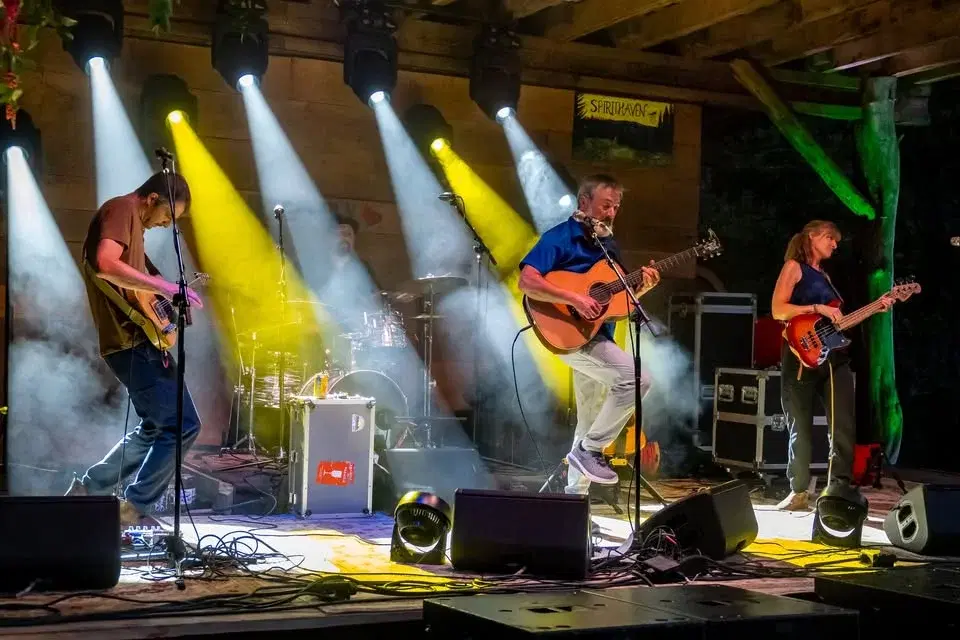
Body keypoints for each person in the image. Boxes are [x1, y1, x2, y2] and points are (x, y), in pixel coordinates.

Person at [65, 172, 205, 527]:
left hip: (134, 342)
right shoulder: (121, 209)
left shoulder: (132, 223)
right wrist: (165, 286)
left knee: (154, 428)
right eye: (168, 217)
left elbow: (134, 287)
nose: (165, 225)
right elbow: (106, 263)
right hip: (132, 343)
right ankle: (133, 507)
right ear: (152, 199)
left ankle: (89, 490)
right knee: (182, 425)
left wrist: (164, 306)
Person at [518, 174, 660, 493]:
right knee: (637, 380)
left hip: (597, 336)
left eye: (616, 207)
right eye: (606, 205)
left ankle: (575, 500)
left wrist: (643, 288)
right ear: (584, 202)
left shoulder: (607, 245)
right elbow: (527, 282)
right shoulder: (560, 237)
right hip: (568, 334)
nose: (611, 213)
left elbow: (617, 303)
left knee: (591, 417)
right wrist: (575, 298)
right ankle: (590, 449)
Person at [771, 220, 892, 511]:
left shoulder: (824, 276)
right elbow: (778, 310)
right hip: (799, 354)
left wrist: (877, 306)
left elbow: (837, 323)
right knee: (798, 424)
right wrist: (817, 308)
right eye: (829, 238)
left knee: (842, 427)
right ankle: (798, 491)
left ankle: (837, 488)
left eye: (836, 241)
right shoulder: (794, 267)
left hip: (834, 357)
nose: (834, 244)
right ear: (811, 236)